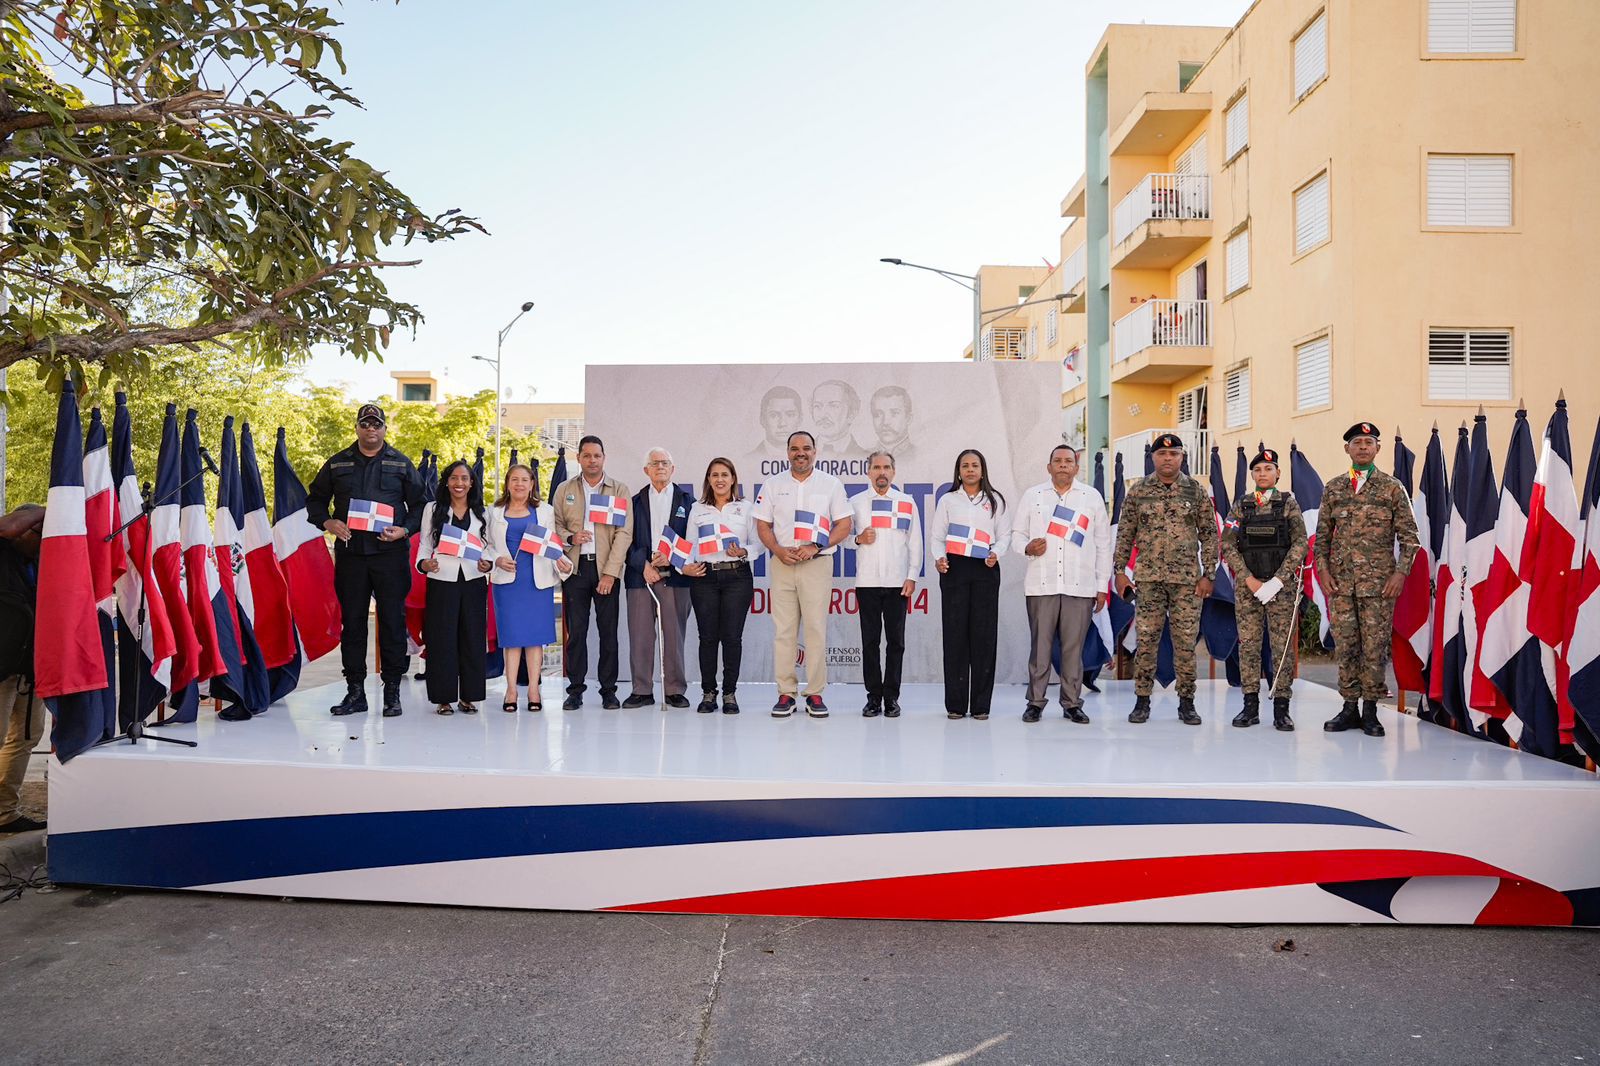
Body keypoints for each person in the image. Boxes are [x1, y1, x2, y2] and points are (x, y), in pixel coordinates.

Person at [306, 403, 425, 718]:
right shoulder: (337, 464)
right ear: (357, 428)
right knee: (354, 624)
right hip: (352, 555)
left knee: (392, 622)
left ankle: (392, 693)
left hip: (390, 555)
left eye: (376, 425)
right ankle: (355, 692)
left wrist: (405, 530)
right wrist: (327, 522)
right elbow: (315, 500)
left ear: (385, 429)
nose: (371, 429)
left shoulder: (400, 464)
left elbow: (421, 506)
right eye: (365, 424)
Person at [1315, 422, 1421, 738]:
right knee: (1347, 647)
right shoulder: (1333, 488)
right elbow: (1321, 538)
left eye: (1369, 442)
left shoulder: (1392, 488)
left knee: (1374, 649)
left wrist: (1401, 573)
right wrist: (1322, 571)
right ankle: (1349, 707)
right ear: (1346, 448)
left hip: (1379, 586)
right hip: (1341, 585)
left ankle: (1371, 710)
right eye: (1357, 442)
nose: (1363, 447)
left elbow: (1411, 538)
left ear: (1377, 448)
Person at [1112, 432, 1218, 726]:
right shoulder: (1138, 492)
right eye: (1162, 454)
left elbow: (1210, 535)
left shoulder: (1195, 491)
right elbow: (1125, 533)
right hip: (1148, 580)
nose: (1168, 459)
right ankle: (1142, 701)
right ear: (1154, 458)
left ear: (1182, 457)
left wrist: (1209, 574)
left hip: (1187, 581)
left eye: (1174, 454)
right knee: (1146, 641)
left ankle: (1187, 703)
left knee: (1185, 643)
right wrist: (1120, 571)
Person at [754, 430, 853, 718]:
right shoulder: (773, 484)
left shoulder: (830, 484)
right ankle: (786, 693)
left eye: (806, 448)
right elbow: (762, 526)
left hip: (817, 563)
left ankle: (815, 694)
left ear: (815, 451)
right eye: (795, 448)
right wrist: (778, 550)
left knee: (815, 630)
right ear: (787, 453)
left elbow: (844, 525)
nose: (801, 453)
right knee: (783, 631)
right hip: (783, 563)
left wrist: (816, 546)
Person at [1012, 445, 1110, 724]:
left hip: (1080, 586)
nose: (1063, 465)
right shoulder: (1033, 496)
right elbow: (1017, 534)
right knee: (1040, 648)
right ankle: (1035, 702)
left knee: (1072, 648)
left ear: (1076, 468)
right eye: (1058, 461)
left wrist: (1101, 585)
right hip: (1041, 584)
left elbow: (1103, 544)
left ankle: (1072, 703)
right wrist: (1027, 546)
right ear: (1049, 467)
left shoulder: (1090, 497)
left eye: (1069, 461)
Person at [1220, 448, 1308, 731]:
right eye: (1258, 470)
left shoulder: (1288, 504)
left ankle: (1281, 708)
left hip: (1280, 588)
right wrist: (1248, 579)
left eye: (1268, 469)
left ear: (1278, 473)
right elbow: (1227, 543)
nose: (1263, 474)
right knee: (1249, 647)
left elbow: (1301, 543)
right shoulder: (1241, 505)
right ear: (1252, 475)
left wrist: (1279, 580)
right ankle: (1250, 706)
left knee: (1282, 648)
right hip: (1249, 588)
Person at [552, 434, 633, 710]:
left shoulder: (619, 490)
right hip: (575, 569)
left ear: (604, 458)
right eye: (586, 455)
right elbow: (556, 526)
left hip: (605, 569)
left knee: (608, 633)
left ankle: (609, 691)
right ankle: (575, 690)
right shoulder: (565, 489)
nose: (592, 460)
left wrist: (611, 573)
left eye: (597, 455)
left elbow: (624, 533)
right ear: (579, 458)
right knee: (576, 632)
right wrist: (571, 538)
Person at [930, 448, 1010, 720]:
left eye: (975, 465)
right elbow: (937, 537)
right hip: (954, 570)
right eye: (965, 465)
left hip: (985, 569)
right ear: (959, 471)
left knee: (984, 637)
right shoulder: (949, 500)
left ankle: (980, 706)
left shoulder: (995, 500)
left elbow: (1004, 534)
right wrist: (940, 559)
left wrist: (995, 553)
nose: (970, 470)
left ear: (983, 469)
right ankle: (955, 704)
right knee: (955, 637)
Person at [415, 460, 495, 715]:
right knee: (442, 639)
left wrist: (488, 563)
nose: (459, 483)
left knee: (472, 638)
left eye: (464, 478)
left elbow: (491, 546)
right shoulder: (433, 509)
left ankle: (469, 697)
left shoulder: (484, 511)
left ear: (472, 483)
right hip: (442, 580)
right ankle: (443, 698)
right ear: (447, 482)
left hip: (473, 580)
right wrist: (423, 564)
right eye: (454, 478)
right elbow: (425, 545)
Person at [486, 463, 567, 712]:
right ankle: (511, 690)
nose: (519, 484)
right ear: (507, 484)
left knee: (534, 639)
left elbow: (551, 542)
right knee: (512, 639)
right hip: (507, 582)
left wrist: (562, 560)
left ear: (532, 484)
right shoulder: (494, 511)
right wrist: (496, 559)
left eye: (524, 480)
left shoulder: (545, 511)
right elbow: (485, 544)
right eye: (514, 480)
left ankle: (534, 689)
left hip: (536, 581)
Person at [850, 451, 923, 718]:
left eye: (886, 467)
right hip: (867, 583)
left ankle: (891, 698)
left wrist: (912, 575)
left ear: (894, 472)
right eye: (876, 467)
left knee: (896, 643)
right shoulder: (856, 503)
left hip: (897, 583)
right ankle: (873, 698)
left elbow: (915, 541)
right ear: (868, 472)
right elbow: (842, 538)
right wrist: (858, 539)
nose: (881, 472)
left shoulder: (906, 502)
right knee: (869, 643)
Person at [682, 458, 757, 715]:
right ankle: (708, 692)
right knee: (707, 638)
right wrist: (686, 566)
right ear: (708, 480)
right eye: (714, 475)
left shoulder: (746, 508)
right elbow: (689, 545)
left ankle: (729, 693)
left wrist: (744, 550)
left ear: (733, 478)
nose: (720, 479)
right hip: (705, 577)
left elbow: (758, 543)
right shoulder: (697, 509)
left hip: (737, 576)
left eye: (725, 474)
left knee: (732, 637)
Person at [623, 447, 695, 709]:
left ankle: (674, 689)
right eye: (655, 463)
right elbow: (623, 541)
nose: (660, 467)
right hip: (641, 577)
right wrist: (642, 565)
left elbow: (693, 541)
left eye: (665, 463)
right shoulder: (633, 502)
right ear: (646, 470)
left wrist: (674, 558)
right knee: (640, 635)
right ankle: (641, 690)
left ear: (673, 468)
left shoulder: (690, 502)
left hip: (675, 577)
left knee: (674, 635)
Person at [0, 505, 45, 835]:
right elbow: (8, 524)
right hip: (1, 671)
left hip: (29, 670)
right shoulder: (2, 553)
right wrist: (53, 506)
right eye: (41, 535)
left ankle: (4, 812)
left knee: (27, 737)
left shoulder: (40, 563)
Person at [810, 380, 872, 459]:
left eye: (834, 406)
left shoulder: (866, 457)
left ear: (851, 414)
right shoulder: (801, 455)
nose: (823, 414)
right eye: (817, 406)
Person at [868, 385, 919, 475]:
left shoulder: (921, 455)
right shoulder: (862, 456)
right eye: (878, 414)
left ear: (908, 418)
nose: (885, 422)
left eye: (894, 413)